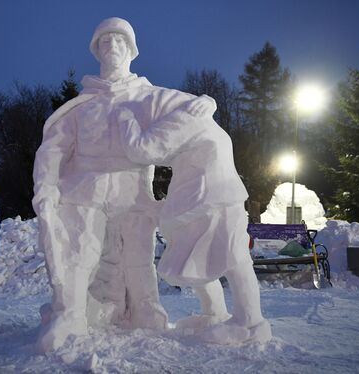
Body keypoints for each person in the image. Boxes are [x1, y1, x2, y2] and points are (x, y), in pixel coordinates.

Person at [32, 17, 208, 351]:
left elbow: (194, 108)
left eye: (119, 42)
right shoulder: (81, 106)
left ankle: (145, 308)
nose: (112, 47)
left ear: (131, 50)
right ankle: (72, 314)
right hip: (87, 188)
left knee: (139, 256)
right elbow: (52, 149)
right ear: (96, 51)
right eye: (105, 42)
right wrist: (45, 187)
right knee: (80, 254)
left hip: (133, 189)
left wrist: (207, 103)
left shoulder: (148, 97)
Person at [116, 96, 272, 344]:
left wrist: (125, 119)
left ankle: (250, 323)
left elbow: (142, 149)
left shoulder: (183, 118)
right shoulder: (201, 117)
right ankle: (215, 312)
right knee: (197, 254)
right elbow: (169, 151)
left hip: (211, 197)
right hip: (211, 195)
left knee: (234, 257)